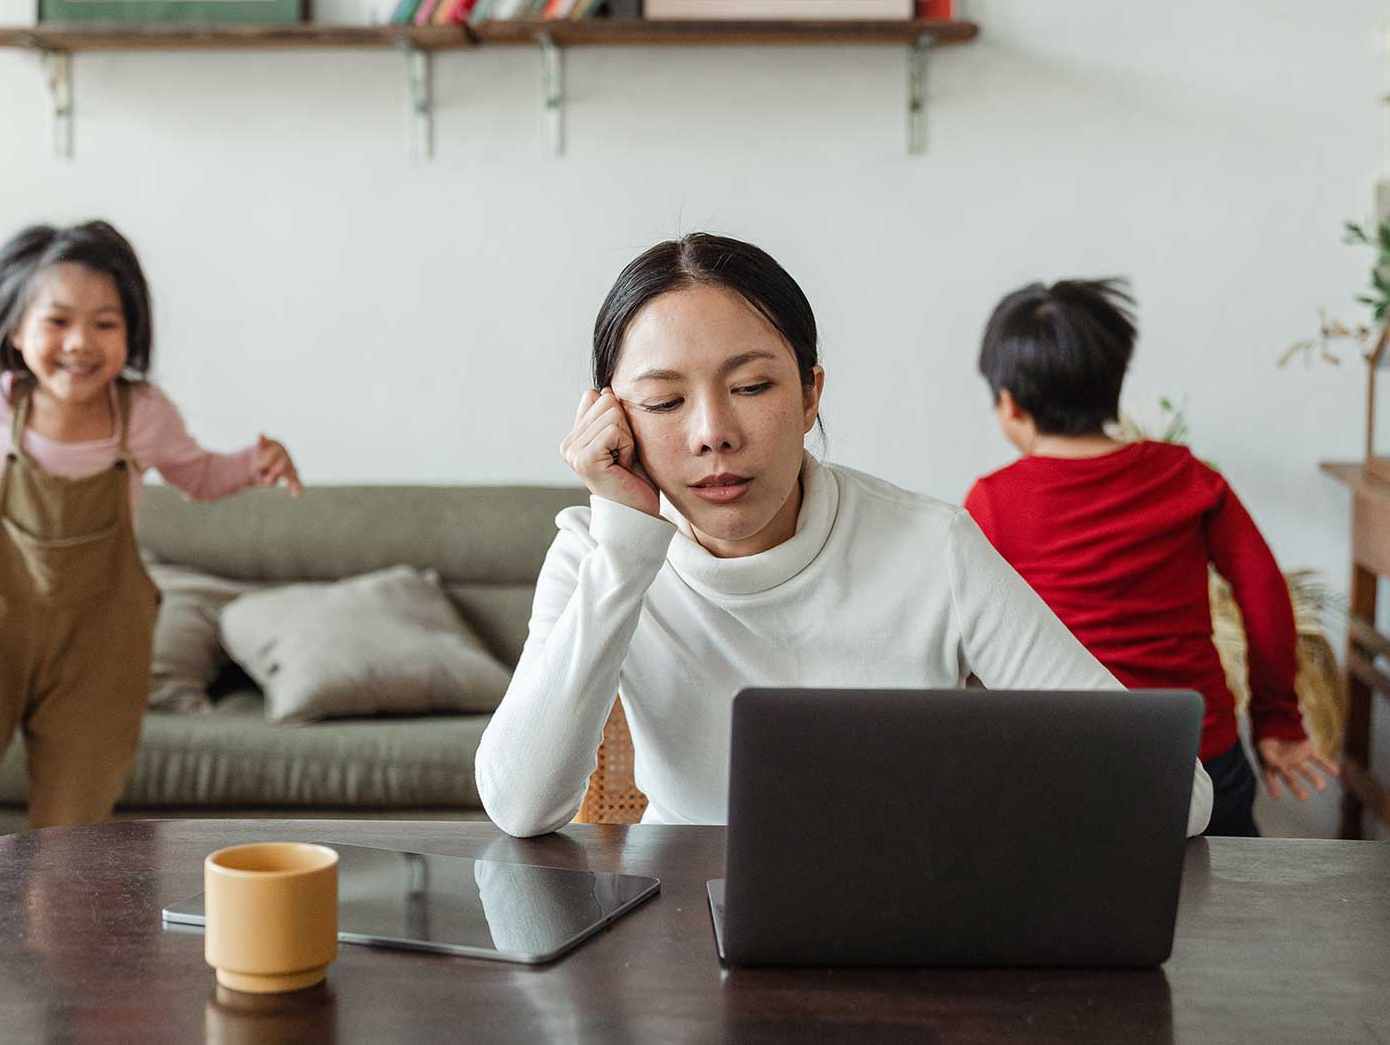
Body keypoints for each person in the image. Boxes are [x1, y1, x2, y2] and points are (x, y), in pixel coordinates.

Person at [474, 234, 1212, 839]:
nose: (713, 435)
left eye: (753, 387)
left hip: (905, 915)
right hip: (679, 927)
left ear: (810, 395)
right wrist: (625, 548)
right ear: (613, 420)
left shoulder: (933, 546)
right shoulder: (594, 554)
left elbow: (1177, 796)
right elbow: (519, 806)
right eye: (665, 400)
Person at [0, 220, 302, 905]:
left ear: (131, 334)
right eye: (58, 320)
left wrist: (254, 463)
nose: (80, 343)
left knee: (72, 847)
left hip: (97, 648)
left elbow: (200, 477)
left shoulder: (143, 415)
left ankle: (57, 996)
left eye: (105, 323)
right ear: (14, 329)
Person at [962, 278, 1336, 837]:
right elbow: (1264, 592)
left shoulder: (992, 502)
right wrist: (1277, 718)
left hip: (1072, 767)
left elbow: (972, 636)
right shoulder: (1189, 478)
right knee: (1229, 915)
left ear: (1010, 404)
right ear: (1114, 385)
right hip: (1202, 758)